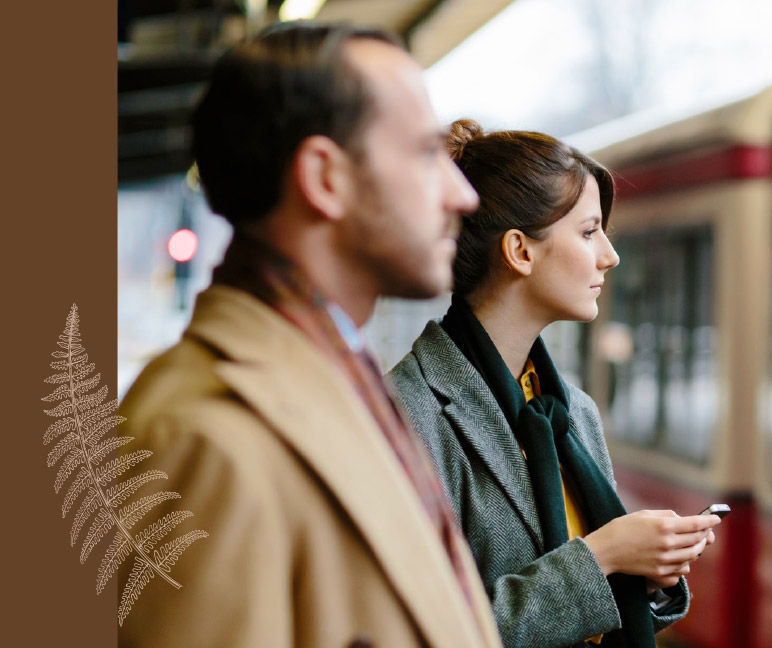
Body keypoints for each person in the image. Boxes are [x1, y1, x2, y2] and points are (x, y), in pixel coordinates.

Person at [117, 24, 503, 648]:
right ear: (326, 178)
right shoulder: (202, 436)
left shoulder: (334, 371)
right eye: (426, 154)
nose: (462, 194)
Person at [387, 119, 721, 648]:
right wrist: (603, 556)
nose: (609, 255)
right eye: (589, 232)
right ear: (520, 251)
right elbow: (420, 631)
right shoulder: (406, 414)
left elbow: (589, 616)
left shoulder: (570, 411)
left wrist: (647, 573)